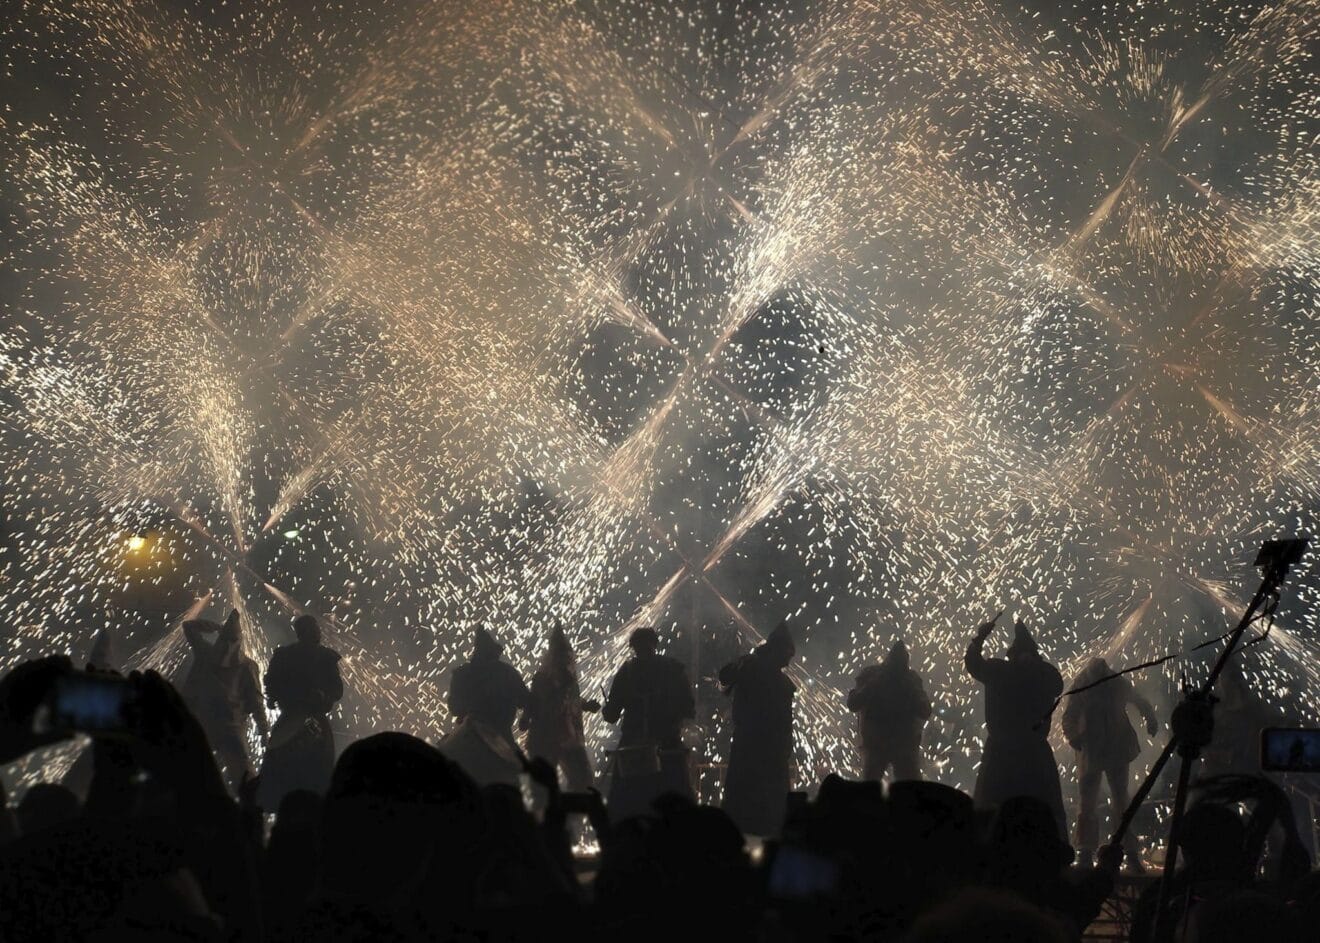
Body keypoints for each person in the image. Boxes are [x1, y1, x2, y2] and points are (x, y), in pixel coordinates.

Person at [965, 614, 1066, 838]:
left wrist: (979, 638)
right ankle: (1052, 847)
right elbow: (1058, 684)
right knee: (1043, 804)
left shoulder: (999, 671)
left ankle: (984, 848)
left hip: (1002, 752)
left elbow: (973, 663)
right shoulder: (1045, 674)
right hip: (1034, 752)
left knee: (992, 804)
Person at [1062, 657, 1157, 870]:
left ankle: (1128, 851)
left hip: (1114, 747)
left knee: (1119, 799)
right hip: (1094, 748)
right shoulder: (1084, 685)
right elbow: (1069, 716)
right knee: (1090, 801)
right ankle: (1087, 851)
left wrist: (1150, 718)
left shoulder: (1114, 682)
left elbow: (1139, 701)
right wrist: (1074, 737)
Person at [601, 627, 696, 820]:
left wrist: (605, 709)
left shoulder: (626, 672)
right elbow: (689, 708)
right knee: (678, 803)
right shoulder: (674, 669)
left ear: (633, 647)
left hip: (634, 749)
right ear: (655, 644)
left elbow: (611, 715)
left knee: (627, 804)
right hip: (668, 745)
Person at [256, 613, 344, 810]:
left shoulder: (323, 657)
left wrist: (322, 696)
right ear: (304, 632)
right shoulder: (287, 656)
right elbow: (271, 682)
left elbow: (337, 690)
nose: (318, 633)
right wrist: (272, 696)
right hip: (296, 720)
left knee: (310, 774)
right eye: (314, 629)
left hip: (307, 720)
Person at [718, 623, 797, 836]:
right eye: (787, 654)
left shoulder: (778, 679)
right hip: (754, 743)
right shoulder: (752, 667)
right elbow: (724, 678)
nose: (789, 660)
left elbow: (785, 720)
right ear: (776, 650)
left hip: (762, 744)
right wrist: (742, 663)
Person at [182, 609, 268, 790]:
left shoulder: (246, 666)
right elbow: (188, 626)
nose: (229, 646)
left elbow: (256, 700)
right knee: (192, 770)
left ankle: (248, 808)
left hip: (232, 725)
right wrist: (216, 627)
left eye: (233, 641)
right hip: (204, 720)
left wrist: (263, 729)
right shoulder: (205, 653)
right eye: (226, 640)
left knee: (244, 775)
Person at [442, 627, 531, 785]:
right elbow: (527, 701)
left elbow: (454, 707)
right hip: (500, 735)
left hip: (466, 732)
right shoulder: (508, 673)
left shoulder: (462, 674)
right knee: (527, 781)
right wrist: (526, 718)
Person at [519, 623, 599, 794]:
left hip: (568, 737)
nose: (566, 659)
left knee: (583, 782)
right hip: (545, 737)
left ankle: (572, 816)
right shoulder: (542, 678)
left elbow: (572, 700)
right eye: (562, 656)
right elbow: (536, 703)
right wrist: (526, 718)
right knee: (540, 788)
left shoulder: (569, 678)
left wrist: (585, 705)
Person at [847, 639, 932, 782]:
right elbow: (853, 703)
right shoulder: (878, 676)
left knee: (905, 789)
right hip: (886, 743)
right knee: (876, 789)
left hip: (896, 743)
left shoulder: (907, 679)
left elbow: (925, 710)